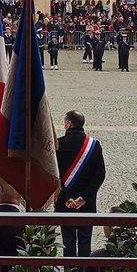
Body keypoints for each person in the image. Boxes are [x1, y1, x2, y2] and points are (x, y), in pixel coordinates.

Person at [55, 110, 106, 258]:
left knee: (68, 241)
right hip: (87, 204)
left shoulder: (59, 145)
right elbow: (99, 175)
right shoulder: (94, 145)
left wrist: (66, 198)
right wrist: (84, 198)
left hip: (65, 203)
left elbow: (54, 175)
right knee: (85, 242)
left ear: (69, 124)